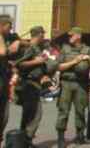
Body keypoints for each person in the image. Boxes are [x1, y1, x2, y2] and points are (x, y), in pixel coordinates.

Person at [55, 27, 90, 148]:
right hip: (66, 83)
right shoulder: (65, 49)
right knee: (63, 110)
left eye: (71, 35)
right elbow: (58, 67)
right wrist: (74, 61)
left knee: (80, 110)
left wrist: (88, 58)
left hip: (81, 84)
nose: (69, 37)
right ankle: (61, 138)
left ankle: (80, 136)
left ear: (78, 36)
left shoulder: (88, 50)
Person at [16, 26, 48, 147]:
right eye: (43, 35)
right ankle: (25, 140)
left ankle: (24, 141)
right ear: (39, 35)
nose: (44, 37)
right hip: (28, 84)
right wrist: (37, 61)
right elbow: (19, 64)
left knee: (30, 114)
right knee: (34, 114)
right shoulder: (29, 47)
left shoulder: (36, 48)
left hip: (34, 84)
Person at [0, 15, 21, 147]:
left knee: (4, 116)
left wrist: (18, 42)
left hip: (3, 81)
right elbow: (2, 51)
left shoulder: (8, 37)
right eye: (9, 25)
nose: (11, 28)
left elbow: (24, 42)